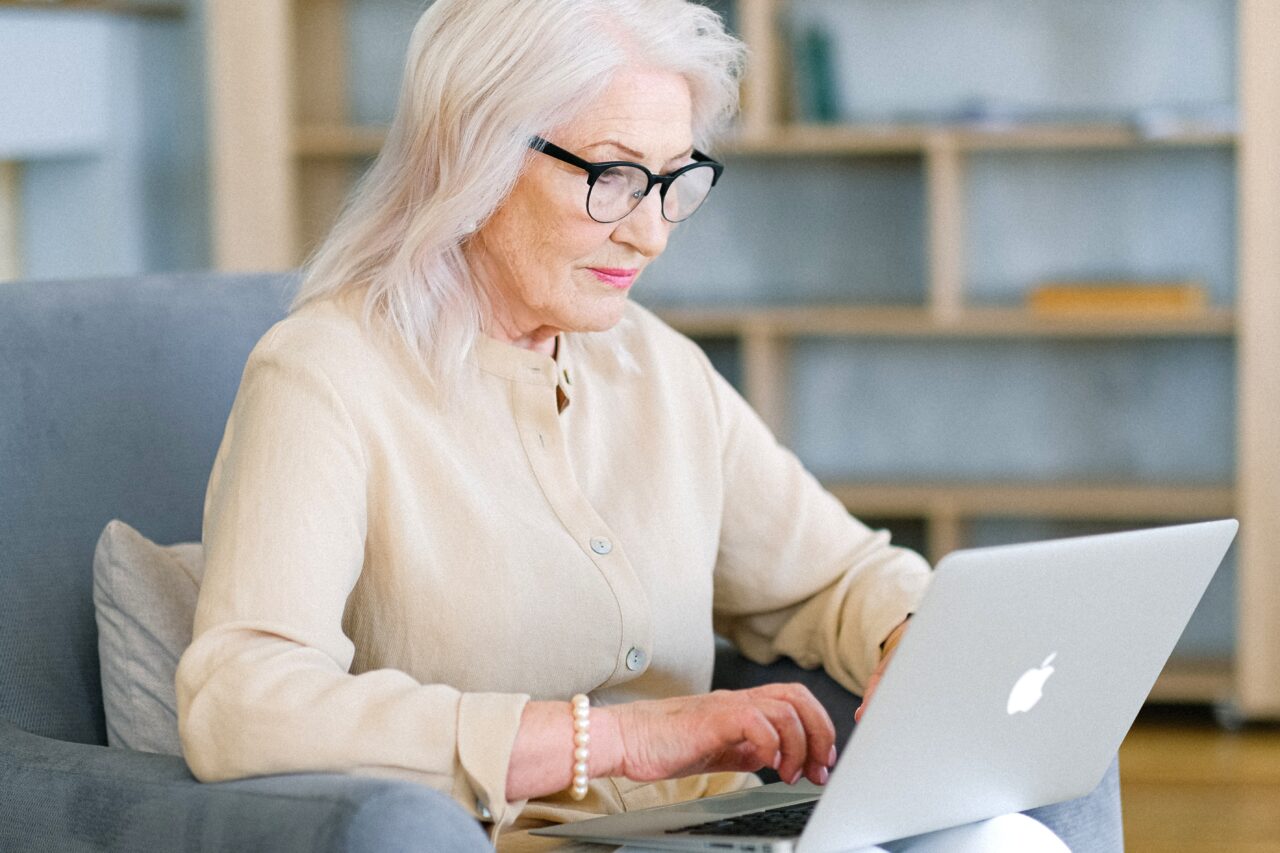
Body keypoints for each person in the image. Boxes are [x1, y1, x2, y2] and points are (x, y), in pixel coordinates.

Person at [175, 1, 1065, 850]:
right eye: (613, 177)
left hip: (707, 829)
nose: (651, 234)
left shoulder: (657, 365)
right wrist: (612, 739)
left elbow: (830, 576)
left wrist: (912, 631)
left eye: (676, 181)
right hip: (510, 839)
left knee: (1007, 838)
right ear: (472, 154)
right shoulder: (325, 374)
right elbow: (241, 702)